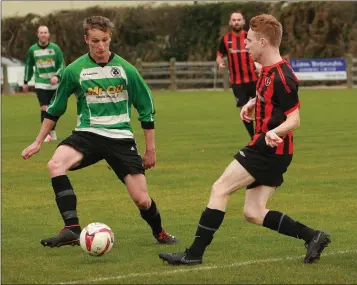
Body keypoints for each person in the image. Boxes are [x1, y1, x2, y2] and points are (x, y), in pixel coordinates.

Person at [159, 14, 330, 266]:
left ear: (263, 42)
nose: (244, 45)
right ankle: (313, 236)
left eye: (249, 41)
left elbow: (294, 120)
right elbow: (268, 96)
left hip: (269, 149)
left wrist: (275, 132)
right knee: (253, 212)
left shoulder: (283, 76)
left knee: (220, 188)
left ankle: (193, 254)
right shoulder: (266, 69)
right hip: (273, 150)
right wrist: (252, 103)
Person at [21, 16, 178, 248]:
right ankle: (72, 228)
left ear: (110, 37)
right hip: (88, 134)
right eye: (95, 40)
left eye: (105, 40)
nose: (101, 46)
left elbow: (146, 109)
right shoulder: (74, 71)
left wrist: (150, 150)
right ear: (86, 39)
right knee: (55, 165)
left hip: (121, 138)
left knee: (142, 200)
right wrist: (38, 141)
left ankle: (160, 232)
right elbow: (55, 109)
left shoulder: (126, 70)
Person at [216, 11, 261, 140]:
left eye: (239, 19)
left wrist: (259, 65)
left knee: (260, 107)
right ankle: (254, 138)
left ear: (243, 22)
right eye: (234, 20)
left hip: (254, 79)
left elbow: (260, 52)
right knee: (245, 111)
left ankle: (262, 133)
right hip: (237, 82)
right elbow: (219, 55)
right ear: (230, 22)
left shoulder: (250, 36)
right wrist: (220, 63)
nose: (236, 22)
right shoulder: (225, 39)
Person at [23, 25, 66, 142]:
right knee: (44, 107)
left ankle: (52, 131)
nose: (43, 34)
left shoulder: (55, 48)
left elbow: (61, 64)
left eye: (45, 32)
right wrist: (26, 81)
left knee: (53, 109)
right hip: (40, 82)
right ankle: (46, 134)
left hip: (53, 84)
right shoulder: (33, 50)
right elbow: (28, 65)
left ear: (48, 34)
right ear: (38, 34)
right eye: (41, 32)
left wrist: (57, 76)